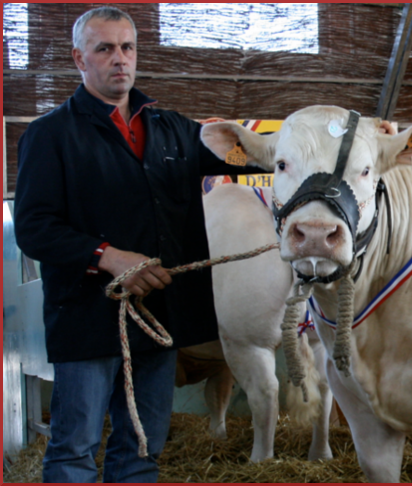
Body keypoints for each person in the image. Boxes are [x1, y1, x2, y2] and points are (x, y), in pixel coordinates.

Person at [13, 7, 258, 483]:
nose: (119, 59)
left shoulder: (174, 130)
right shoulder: (51, 135)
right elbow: (35, 228)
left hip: (158, 313)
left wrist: (315, 142)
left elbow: (253, 156)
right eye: (104, 48)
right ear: (79, 58)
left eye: (127, 47)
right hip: (85, 315)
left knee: (144, 447)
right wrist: (108, 256)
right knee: (75, 448)